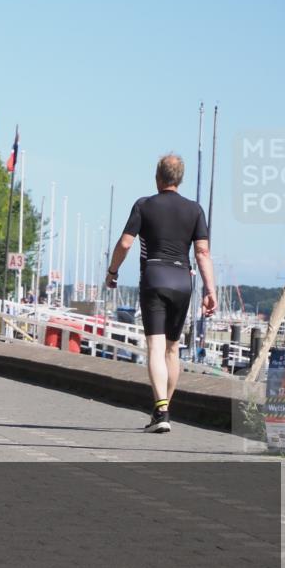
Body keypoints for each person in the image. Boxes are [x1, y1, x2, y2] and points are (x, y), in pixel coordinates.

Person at [105, 153, 216, 434]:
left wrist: (113, 271)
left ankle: (161, 410)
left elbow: (126, 244)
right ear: (180, 179)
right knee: (172, 348)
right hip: (182, 280)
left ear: (158, 177)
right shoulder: (195, 210)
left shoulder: (144, 205)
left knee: (155, 346)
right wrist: (210, 290)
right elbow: (202, 253)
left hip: (154, 277)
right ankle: (164, 410)